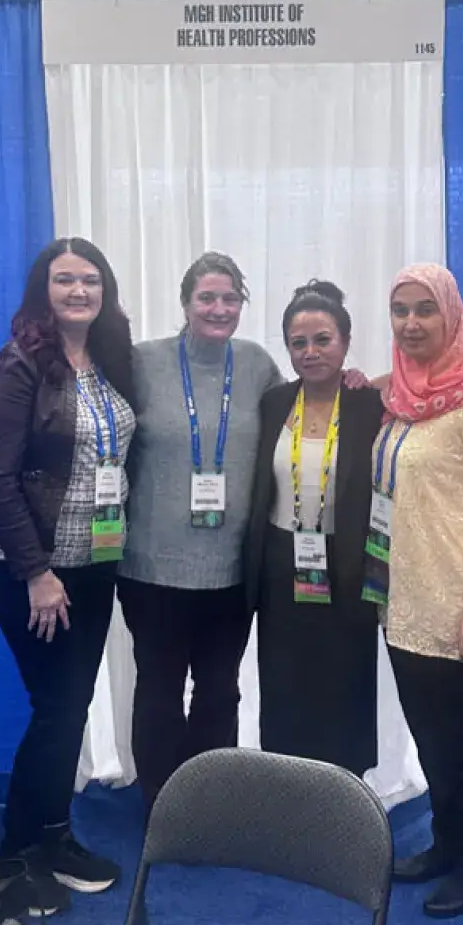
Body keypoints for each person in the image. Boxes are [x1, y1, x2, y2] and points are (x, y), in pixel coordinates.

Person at [0, 237, 136, 916]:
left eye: (90, 280)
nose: (79, 291)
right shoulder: (19, 364)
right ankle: (16, 858)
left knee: (71, 705)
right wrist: (37, 573)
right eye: (65, 279)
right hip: (31, 569)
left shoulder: (111, 358)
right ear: (44, 288)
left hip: (94, 564)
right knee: (57, 708)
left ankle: (54, 837)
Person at [371, 263, 463, 919]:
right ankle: (447, 842)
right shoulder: (402, 397)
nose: (411, 323)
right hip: (403, 600)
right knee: (431, 737)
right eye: (400, 310)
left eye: (424, 309)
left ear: (452, 315)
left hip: (458, 603)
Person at [118, 252, 285, 816]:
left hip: (232, 572)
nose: (218, 308)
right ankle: (162, 807)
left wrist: (359, 383)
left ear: (242, 304)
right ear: (185, 303)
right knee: (159, 689)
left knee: (219, 691)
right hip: (151, 568)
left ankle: (211, 806)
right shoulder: (143, 363)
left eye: (230, 298)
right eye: (206, 297)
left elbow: (307, 412)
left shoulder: (258, 366)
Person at [242, 281, 387, 777]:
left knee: (344, 688)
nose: (311, 352)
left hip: (347, 565)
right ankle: (287, 793)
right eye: (298, 342)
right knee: (285, 689)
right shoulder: (274, 402)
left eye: (323, 340)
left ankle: (346, 795)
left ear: (346, 342)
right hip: (280, 566)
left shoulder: (370, 406)